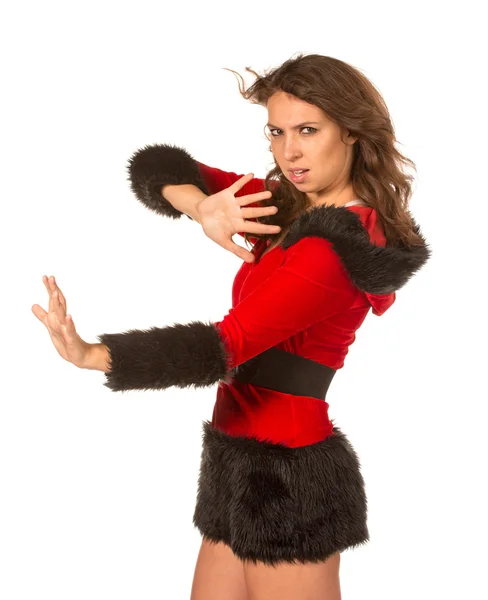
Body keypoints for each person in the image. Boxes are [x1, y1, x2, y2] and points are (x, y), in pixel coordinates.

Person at [32, 53, 431, 600]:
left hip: (288, 476)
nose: (289, 151)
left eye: (308, 131)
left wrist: (93, 355)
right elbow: (160, 167)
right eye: (276, 131)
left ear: (353, 134)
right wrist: (203, 208)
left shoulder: (336, 246)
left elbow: (227, 345)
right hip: (233, 458)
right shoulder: (286, 209)